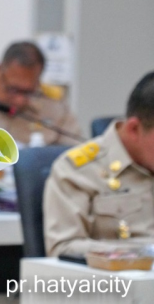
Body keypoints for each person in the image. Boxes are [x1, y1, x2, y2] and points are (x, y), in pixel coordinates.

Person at [44, 71, 154, 257]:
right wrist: (136, 253)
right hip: (119, 273)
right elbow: (62, 248)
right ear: (134, 129)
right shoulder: (77, 171)